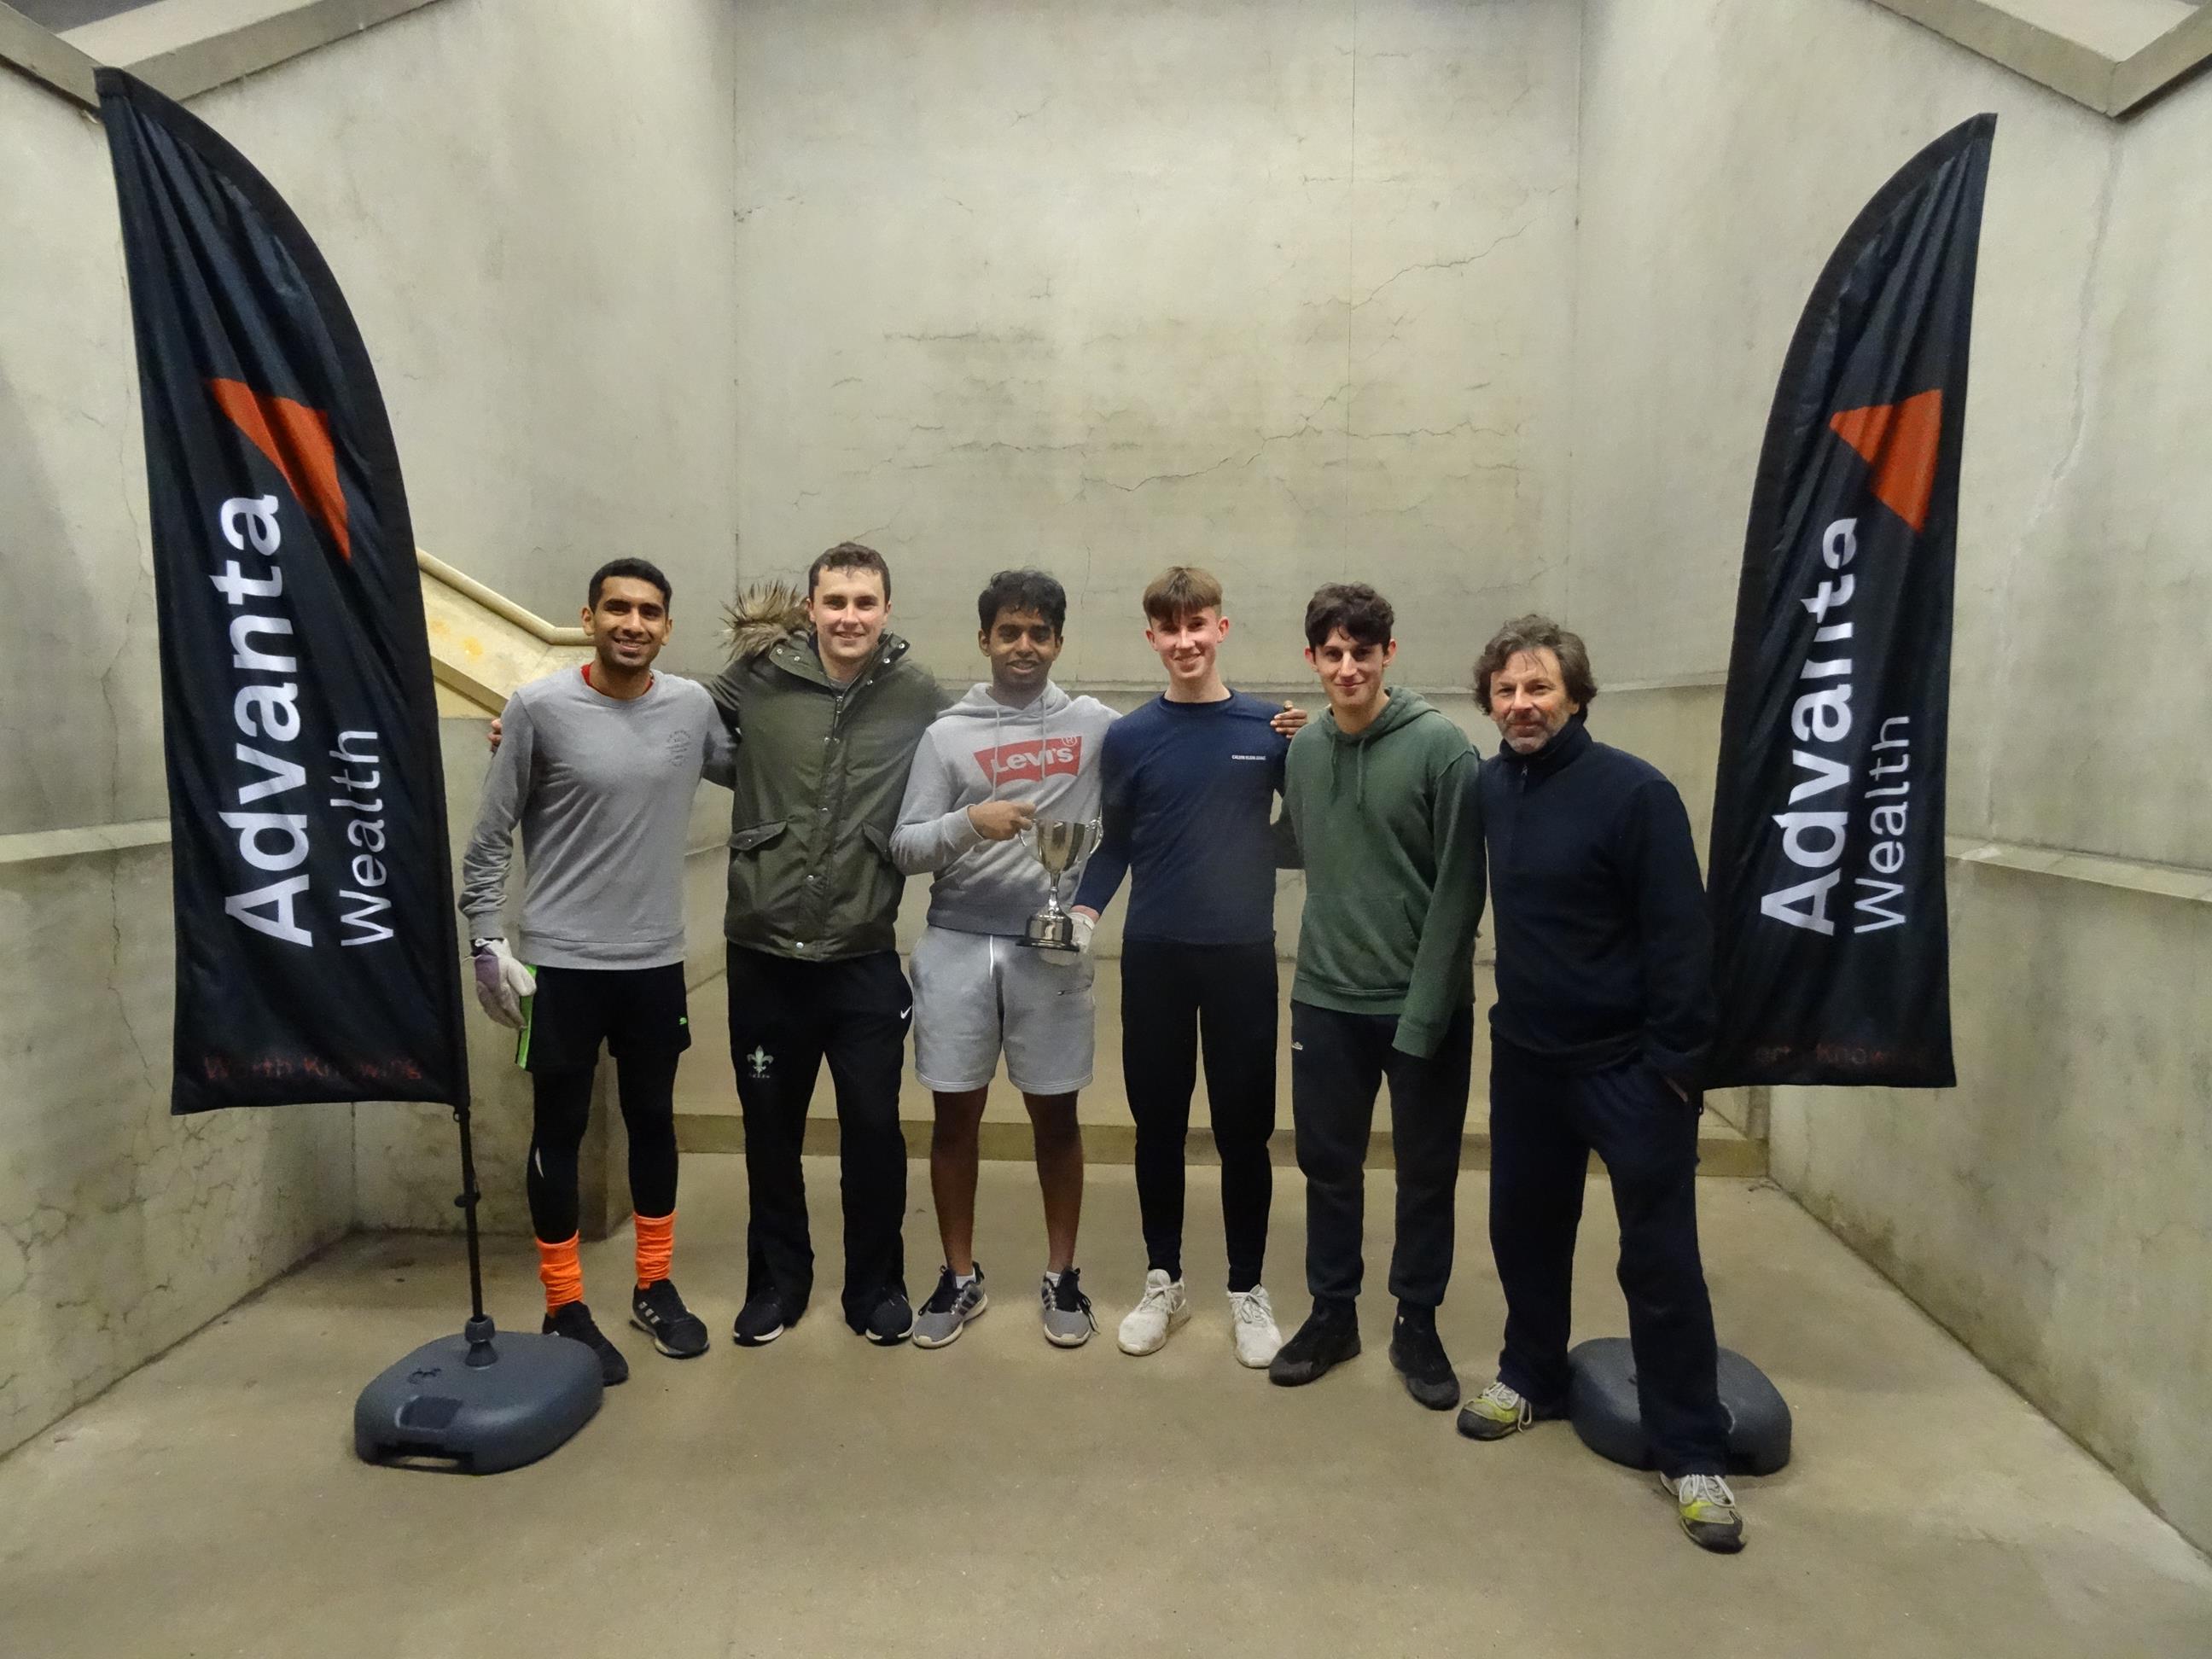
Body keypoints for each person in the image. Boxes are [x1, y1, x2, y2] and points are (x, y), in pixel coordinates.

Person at [1455, 615, 1743, 1555]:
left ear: (1576, 694)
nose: (1521, 705)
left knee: (1658, 1263)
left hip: (1632, 1070)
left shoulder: (1636, 793)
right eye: (1505, 691)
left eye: (1538, 689)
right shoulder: (1493, 786)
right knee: (1524, 1233)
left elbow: (1681, 940)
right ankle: (1530, 1376)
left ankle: (1691, 1449)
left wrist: (1675, 1070)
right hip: (1530, 1063)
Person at [459, 557, 732, 1384]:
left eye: (649, 612)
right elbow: (488, 837)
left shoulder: (691, 707)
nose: (633, 624)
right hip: (562, 965)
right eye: (617, 608)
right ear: (589, 616)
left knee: (653, 1122)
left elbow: (763, 767)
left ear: (667, 627)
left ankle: (654, 1286)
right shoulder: (537, 708)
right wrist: (483, 939)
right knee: (561, 1130)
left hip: (653, 962)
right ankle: (563, 1303)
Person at [704, 542, 950, 1347]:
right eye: (835, 601)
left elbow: (987, 744)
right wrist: (536, 723)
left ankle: (876, 1287)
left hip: (862, 955)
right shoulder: (758, 678)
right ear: (810, 608)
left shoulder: (918, 698)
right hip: (765, 951)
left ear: (887, 611)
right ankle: (776, 1283)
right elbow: (662, 723)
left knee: (874, 1130)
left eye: (865, 602)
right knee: (770, 1129)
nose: (850, 616)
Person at [1069, 566, 1307, 1367]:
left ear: (1221, 628)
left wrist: (1317, 754)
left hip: (1241, 957)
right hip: (1157, 958)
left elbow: (1304, 834)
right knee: (1158, 1125)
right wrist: (1083, 910)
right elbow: (1118, 843)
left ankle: (1247, 1290)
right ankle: (1163, 1279)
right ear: (1151, 639)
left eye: (1197, 625)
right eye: (1169, 630)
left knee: (1246, 1131)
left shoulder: (1271, 728)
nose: (1185, 642)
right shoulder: (1130, 737)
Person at [1267, 583, 1485, 1412]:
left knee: (1426, 1174)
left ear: (1389, 654)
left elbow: (1461, 893)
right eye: (1333, 652)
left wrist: (1426, 1013)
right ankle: (1333, 1314)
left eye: (1364, 651)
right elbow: (1293, 844)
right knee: (1329, 1168)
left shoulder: (1444, 751)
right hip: (1324, 999)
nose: (1348, 666)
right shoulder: (1307, 750)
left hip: (1421, 1006)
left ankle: (1417, 1321)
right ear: (1313, 659)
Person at [890, 569, 1119, 1348]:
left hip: (1048, 952)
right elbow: (904, 844)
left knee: (1056, 1115)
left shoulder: (1098, 727)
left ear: (1058, 641)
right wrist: (966, 822)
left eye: (1040, 633)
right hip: (955, 945)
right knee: (955, 1115)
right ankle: (960, 1278)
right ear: (985, 639)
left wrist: (1276, 728)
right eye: (1009, 632)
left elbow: (1174, 750)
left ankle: (1062, 1276)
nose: (1025, 647)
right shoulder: (945, 734)